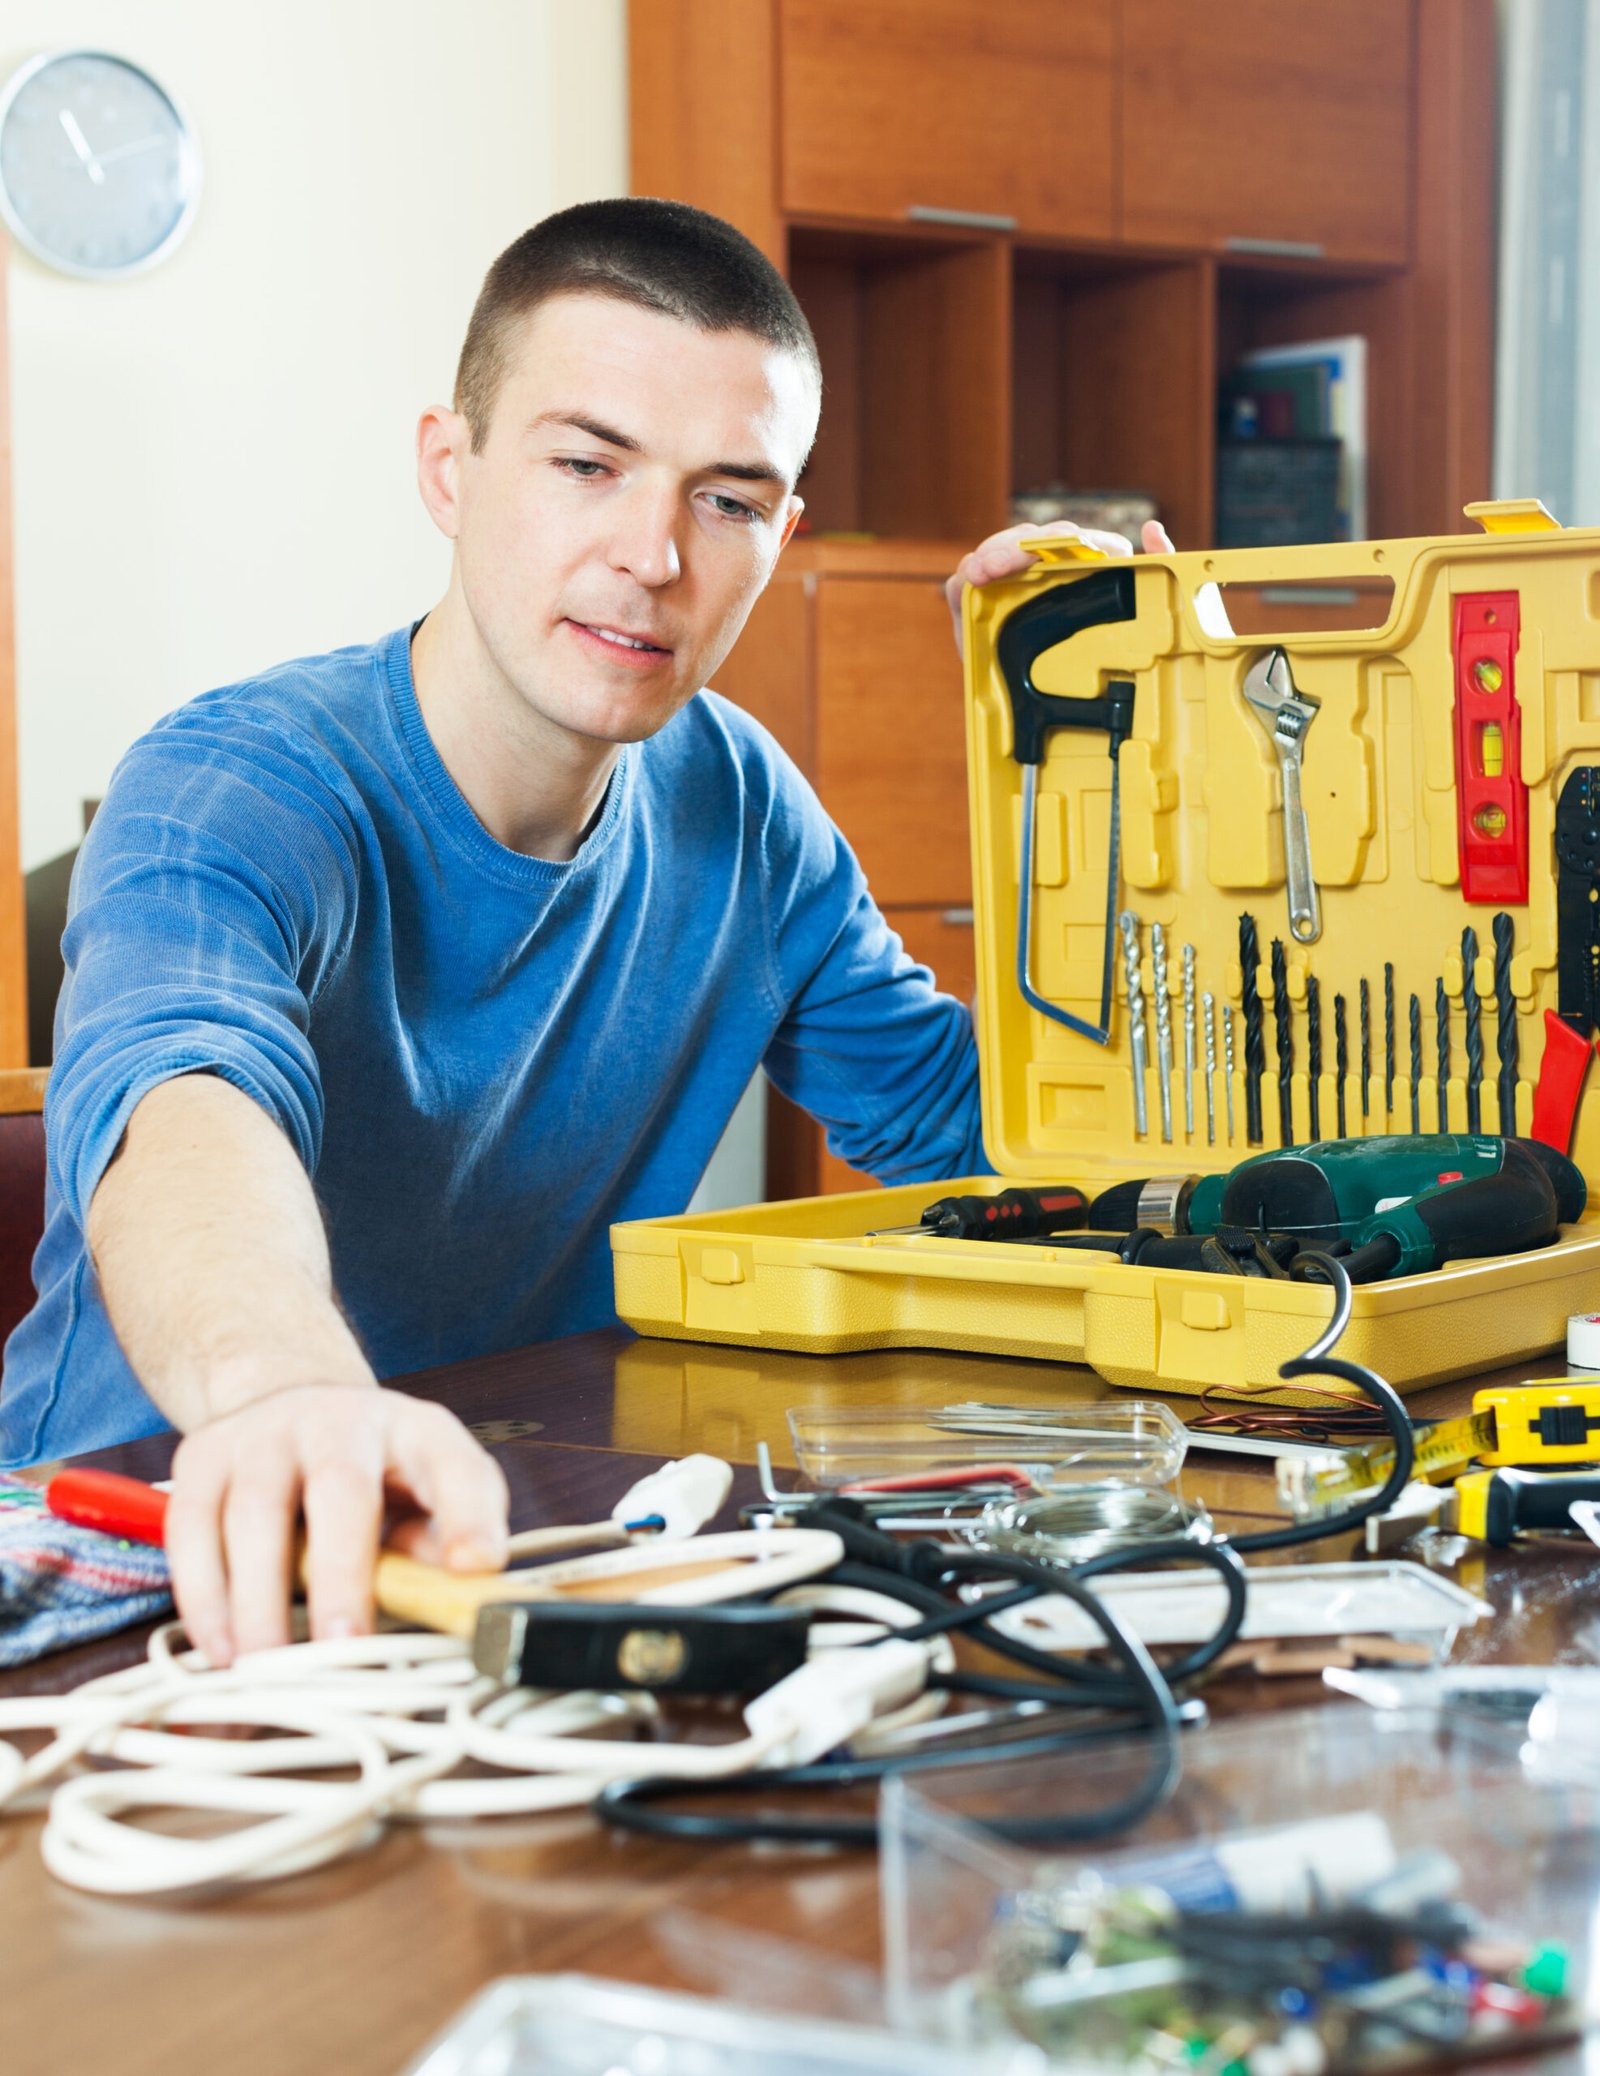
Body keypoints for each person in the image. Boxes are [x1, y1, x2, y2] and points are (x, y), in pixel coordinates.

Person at [0, 198, 1166, 1665]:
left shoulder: (739, 802)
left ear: (780, 533)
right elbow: (182, 1110)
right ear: (450, 465)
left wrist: (1100, 777)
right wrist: (290, 1397)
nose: (654, 555)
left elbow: (1002, 1138)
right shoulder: (229, 787)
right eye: (586, 465)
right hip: (143, 1555)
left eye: (727, 499)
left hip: (515, 1537)